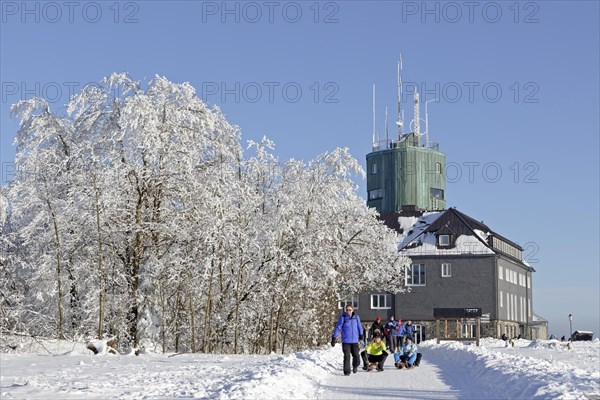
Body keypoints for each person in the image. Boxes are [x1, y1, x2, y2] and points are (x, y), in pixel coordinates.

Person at [332, 304, 364, 376]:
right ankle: (347, 372)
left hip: (355, 341)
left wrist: (361, 334)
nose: (348, 311)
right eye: (347, 310)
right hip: (346, 341)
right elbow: (338, 327)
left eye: (350, 310)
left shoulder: (356, 317)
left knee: (356, 356)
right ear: (345, 310)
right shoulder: (343, 318)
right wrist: (334, 337)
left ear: (352, 310)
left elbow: (359, 326)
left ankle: (355, 366)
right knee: (347, 356)